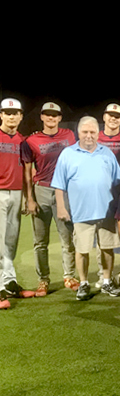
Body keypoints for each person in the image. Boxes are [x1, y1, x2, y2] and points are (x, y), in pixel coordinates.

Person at [52, 116, 120, 301]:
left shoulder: (107, 153)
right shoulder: (68, 154)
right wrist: (61, 207)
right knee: (82, 250)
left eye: (92, 132)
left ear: (98, 133)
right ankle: (84, 283)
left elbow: (118, 183)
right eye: (85, 132)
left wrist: (119, 207)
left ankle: (107, 281)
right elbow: (59, 185)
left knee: (107, 248)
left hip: (106, 211)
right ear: (78, 133)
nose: (89, 136)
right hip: (81, 212)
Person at [21, 102, 78, 297]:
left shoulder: (69, 136)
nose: (51, 118)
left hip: (64, 191)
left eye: (55, 115)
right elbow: (27, 172)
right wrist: (29, 198)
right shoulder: (31, 140)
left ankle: (69, 276)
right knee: (40, 241)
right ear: (42, 117)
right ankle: (43, 280)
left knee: (67, 237)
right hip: (42, 190)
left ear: (60, 118)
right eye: (48, 115)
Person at [0, 98, 35, 308]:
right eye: (7, 112)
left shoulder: (22, 140)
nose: (11, 116)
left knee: (11, 240)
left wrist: (25, 196)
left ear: (21, 116)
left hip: (15, 192)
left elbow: (26, 171)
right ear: (1, 115)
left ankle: (9, 281)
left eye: (15, 113)